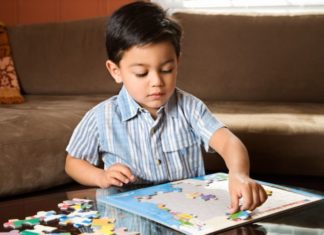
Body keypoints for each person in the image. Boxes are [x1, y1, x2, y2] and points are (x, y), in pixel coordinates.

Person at [65, 1, 267, 213]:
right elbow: (73, 162)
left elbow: (228, 142)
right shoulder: (101, 117)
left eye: (167, 69)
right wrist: (100, 176)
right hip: (130, 217)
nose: (156, 82)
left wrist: (239, 174)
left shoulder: (189, 108)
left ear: (177, 62)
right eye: (142, 73)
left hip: (187, 213)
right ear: (115, 71)